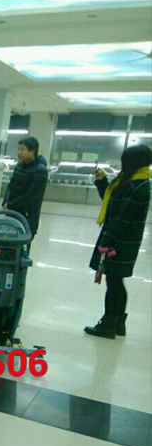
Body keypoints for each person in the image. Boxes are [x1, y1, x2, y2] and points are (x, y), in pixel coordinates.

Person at [85, 144, 151, 339]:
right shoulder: (133, 181)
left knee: (113, 282)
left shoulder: (137, 186)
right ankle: (118, 323)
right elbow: (113, 203)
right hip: (123, 240)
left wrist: (106, 241)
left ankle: (108, 324)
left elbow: (121, 218)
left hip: (120, 241)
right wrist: (102, 182)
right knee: (116, 280)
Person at [3, 136, 48, 251]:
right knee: (8, 245)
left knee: (22, 248)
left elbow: (31, 195)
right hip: (12, 213)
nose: (19, 152)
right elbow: (11, 185)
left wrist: (11, 204)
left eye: (22, 149)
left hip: (28, 216)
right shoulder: (19, 166)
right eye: (18, 149)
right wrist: (6, 201)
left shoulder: (40, 170)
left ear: (32, 151)